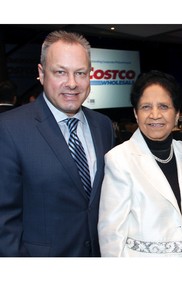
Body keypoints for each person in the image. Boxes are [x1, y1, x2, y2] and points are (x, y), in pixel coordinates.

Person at [0, 30, 115, 256]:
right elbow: (4, 222)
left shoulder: (103, 125)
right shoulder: (9, 128)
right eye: (60, 72)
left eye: (80, 73)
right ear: (42, 74)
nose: (72, 83)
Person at [98, 70, 182, 257]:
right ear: (136, 114)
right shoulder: (120, 159)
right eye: (146, 107)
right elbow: (110, 236)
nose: (155, 115)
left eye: (164, 106)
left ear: (177, 113)